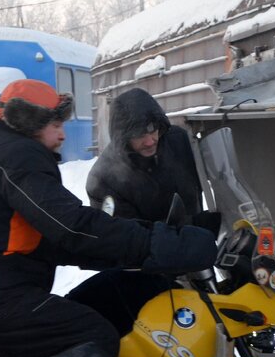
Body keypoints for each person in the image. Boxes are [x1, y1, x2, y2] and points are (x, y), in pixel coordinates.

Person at [0, 79, 216, 357]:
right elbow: (72, 227)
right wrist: (159, 243)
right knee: (93, 334)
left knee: (113, 295)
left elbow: (51, 240)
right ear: (29, 125)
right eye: (56, 125)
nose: (63, 135)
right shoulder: (16, 155)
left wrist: (138, 255)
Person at [80, 88, 221, 334]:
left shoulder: (177, 141)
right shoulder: (105, 178)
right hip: (149, 277)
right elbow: (121, 243)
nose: (150, 140)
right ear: (122, 136)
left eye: (153, 130)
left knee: (217, 328)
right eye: (139, 135)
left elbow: (216, 171)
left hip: (198, 258)